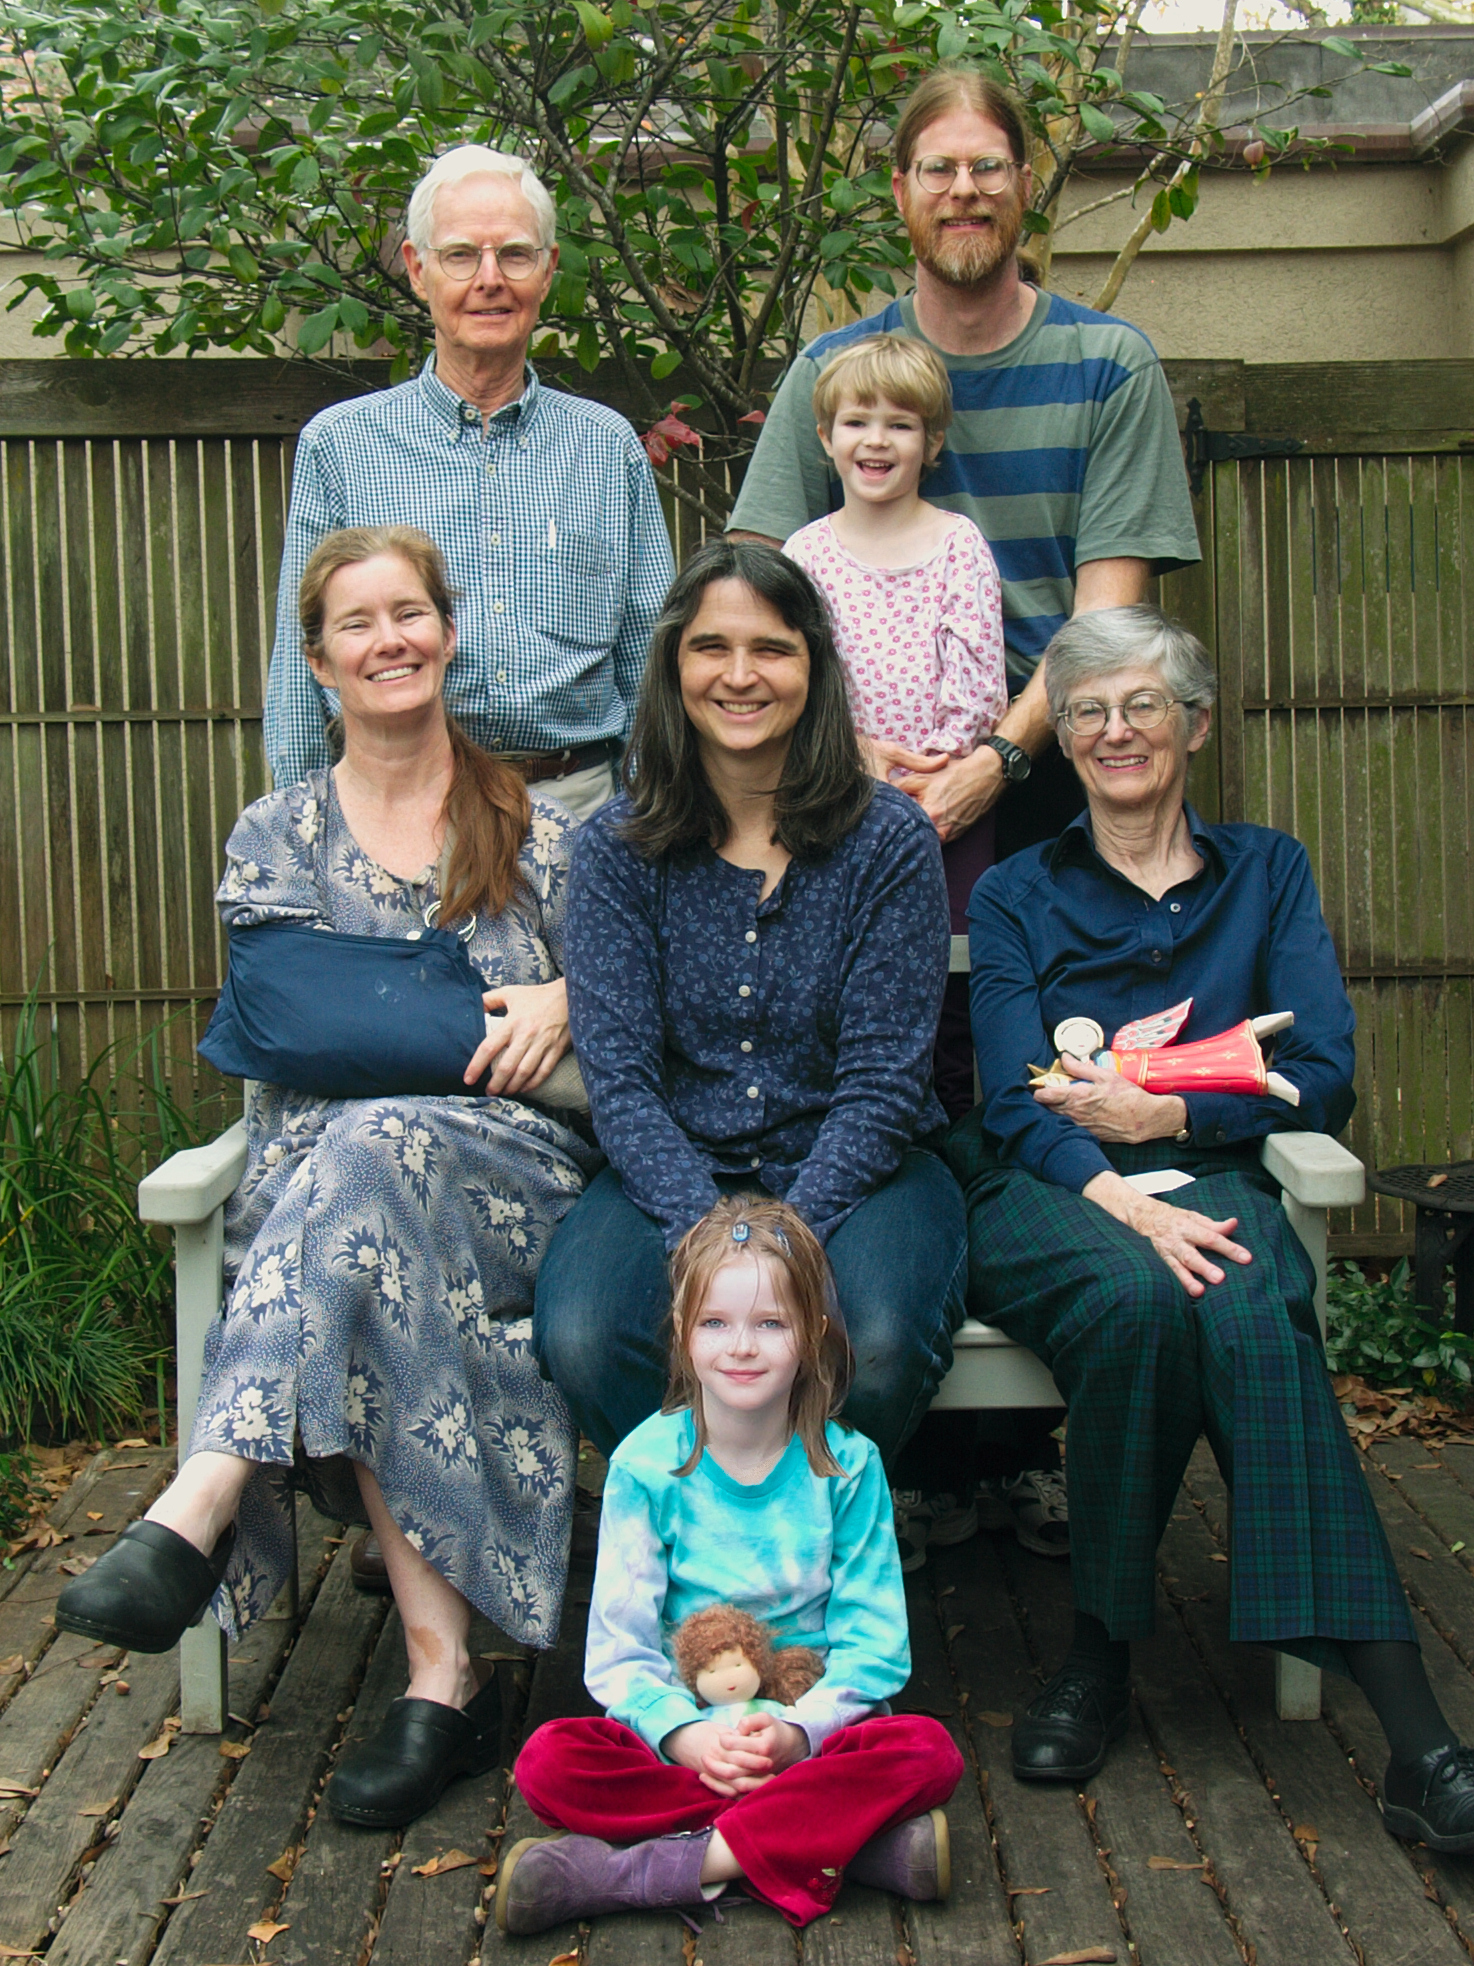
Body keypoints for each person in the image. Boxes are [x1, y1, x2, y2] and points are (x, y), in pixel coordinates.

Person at [57, 526, 601, 1829]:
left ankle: (200, 1499)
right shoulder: (276, 833)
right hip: (325, 1185)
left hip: (510, 1176)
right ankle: (440, 1680)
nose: (388, 640)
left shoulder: (543, 830)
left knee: (373, 1150)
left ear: (448, 633)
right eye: (356, 623)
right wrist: (473, 1019)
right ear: (316, 662)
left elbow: (616, 1042)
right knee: (365, 1185)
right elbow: (292, 1031)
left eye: (409, 613)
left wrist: (571, 1001)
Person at [731, 63, 1200, 1558]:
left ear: (1023, 183)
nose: (962, 191)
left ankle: (1008, 1435)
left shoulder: (1107, 366)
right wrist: (842, 753)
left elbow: (1107, 615)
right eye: (935, 168)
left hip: (1053, 787)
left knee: (1017, 1076)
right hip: (845, 784)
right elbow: (755, 598)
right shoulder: (834, 372)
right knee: (865, 1046)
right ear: (900, 193)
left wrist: (993, 756)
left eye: (987, 165)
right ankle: (916, 1431)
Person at [944, 603, 1474, 1854]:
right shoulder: (1019, 890)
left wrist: (1174, 1112)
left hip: (1211, 1172)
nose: (1113, 730)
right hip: (1049, 1186)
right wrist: (1119, 1183)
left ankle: (1419, 1745)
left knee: (1247, 1314)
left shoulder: (1266, 871)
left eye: (1141, 704)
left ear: (1192, 724)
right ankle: (1098, 1652)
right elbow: (1013, 1095)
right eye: (1086, 711)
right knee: (1132, 1293)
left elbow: (1324, 1071)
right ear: (1066, 739)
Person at [533, 538, 968, 1486]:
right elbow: (622, 1084)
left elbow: (883, 1086)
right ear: (672, 666)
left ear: (814, 667)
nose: (740, 675)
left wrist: (781, 1242)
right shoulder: (617, 851)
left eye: (771, 648)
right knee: (585, 1333)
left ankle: (809, 1539)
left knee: (874, 1344)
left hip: (865, 1169)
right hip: (671, 1166)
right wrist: (713, 1237)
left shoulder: (887, 841)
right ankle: (699, 1532)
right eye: (711, 648)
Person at [499, 1198, 963, 1934]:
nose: (741, 1347)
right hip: (686, 1743)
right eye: (715, 1323)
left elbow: (874, 1647)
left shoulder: (848, 1467)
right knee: (550, 1761)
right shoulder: (645, 1465)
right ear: (683, 1334)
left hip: (806, 1740)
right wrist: (685, 1736)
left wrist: (797, 1733)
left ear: (812, 1335)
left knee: (926, 1753)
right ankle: (851, 1848)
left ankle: (642, 1872)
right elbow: (620, 1652)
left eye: (770, 1324)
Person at [262, 144, 673, 820]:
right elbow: (301, 666)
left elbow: (652, 667)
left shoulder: (606, 448)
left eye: (514, 255)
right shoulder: (341, 446)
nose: (490, 279)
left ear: (548, 270)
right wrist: (306, 830)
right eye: (460, 255)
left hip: (582, 811)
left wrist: (655, 831)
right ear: (417, 269)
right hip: (398, 809)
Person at [782, 331, 1006, 1121]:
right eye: (857, 421)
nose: (876, 440)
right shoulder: (806, 554)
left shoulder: (957, 545)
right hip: (835, 797)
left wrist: (932, 775)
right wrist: (852, 756)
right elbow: (798, 677)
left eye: (900, 424)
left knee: (949, 974)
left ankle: (947, 1133)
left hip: (948, 802)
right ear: (825, 436)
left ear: (932, 442)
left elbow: (977, 678)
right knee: (837, 968)